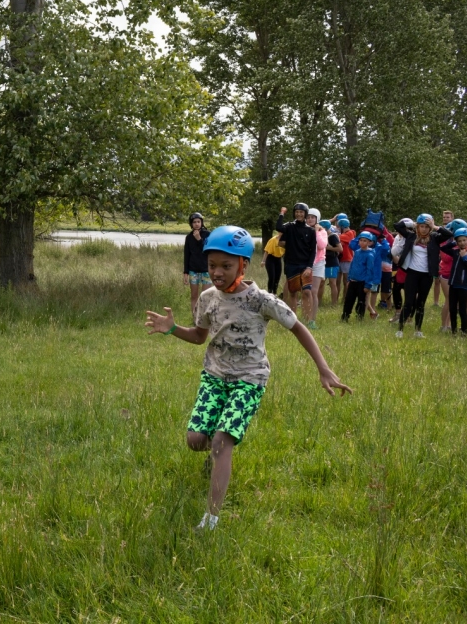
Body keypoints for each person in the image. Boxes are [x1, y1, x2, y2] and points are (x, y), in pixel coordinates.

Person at [144, 226, 350, 531]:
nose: (217, 272)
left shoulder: (260, 300)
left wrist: (323, 367)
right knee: (196, 440)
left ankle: (210, 519)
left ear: (243, 265)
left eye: (226, 266)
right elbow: (200, 336)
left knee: (220, 442)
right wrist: (173, 329)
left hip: (249, 379)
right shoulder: (206, 298)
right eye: (212, 265)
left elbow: (298, 328)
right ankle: (215, 455)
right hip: (214, 376)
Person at [393, 214, 451, 338]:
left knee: (421, 303)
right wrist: (412, 224)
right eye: (421, 226)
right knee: (408, 303)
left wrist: (435, 226)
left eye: (426, 227)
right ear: (418, 227)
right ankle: (400, 330)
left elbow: (448, 234)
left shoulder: (435, 238)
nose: (424, 229)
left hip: (427, 275)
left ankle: (418, 330)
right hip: (412, 273)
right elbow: (397, 226)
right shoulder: (411, 236)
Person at [276, 203, 317, 323]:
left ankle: (309, 320)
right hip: (291, 264)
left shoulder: (310, 230)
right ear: (294, 213)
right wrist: (282, 213)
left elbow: (313, 251)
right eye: (297, 212)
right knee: (293, 292)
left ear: (305, 214)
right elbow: (278, 227)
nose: (299, 214)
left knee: (307, 292)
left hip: (305, 266)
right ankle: (294, 321)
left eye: (301, 212)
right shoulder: (289, 226)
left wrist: (310, 267)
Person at [440, 227, 467, 335]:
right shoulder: (456, 251)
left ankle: (464, 331)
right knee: (452, 309)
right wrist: (453, 243)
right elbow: (444, 249)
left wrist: (465, 258)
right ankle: (453, 331)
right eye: (459, 241)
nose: (462, 243)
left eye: (464, 240)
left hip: (464, 285)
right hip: (453, 284)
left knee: (462, 309)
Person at [341, 231, 383, 321]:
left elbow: (370, 270)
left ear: (369, 243)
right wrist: (349, 279)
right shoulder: (357, 252)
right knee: (349, 300)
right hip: (353, 281)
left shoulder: (370, 254)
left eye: (365, 241)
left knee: (361, 302)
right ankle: (345, 317)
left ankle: (360, 318)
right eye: (360, 240)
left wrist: (368, 285)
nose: (362, 242)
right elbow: (352, 266)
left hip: (362, 283)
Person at [183, 212, 211, 321]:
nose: (197, 224)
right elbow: (186, 255)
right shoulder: (189, 237)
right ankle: (195, 319)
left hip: (206, 270)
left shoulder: (207, 234)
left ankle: (204, 319)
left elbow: (208, 250)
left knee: (205, 296)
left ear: (202, 223)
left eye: (198, 222)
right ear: (191, 224)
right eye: (194, 222)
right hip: (193, 270)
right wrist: (185, 272)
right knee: (194, 295)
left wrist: (199, 239)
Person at [307, 208, 327, 327]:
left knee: (313, 291)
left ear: (317, 219)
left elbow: (321, 245)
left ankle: (312, 320)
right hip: (306, 263)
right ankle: (305, 316)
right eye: (308, 217)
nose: (310, 219)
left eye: (312, 217)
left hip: (318, 263)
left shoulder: (322, 231)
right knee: (306, 291)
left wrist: (316, 232)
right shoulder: (304, 230)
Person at [320, 219, 342, 305]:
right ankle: (318, 302)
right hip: (322, 262)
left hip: (332, 263)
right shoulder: (321, 236)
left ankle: (334, 303)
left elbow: (340, 249)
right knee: (321, 283)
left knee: (333, 283)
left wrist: (329, 248)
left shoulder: (333, 236)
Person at [260, 232, 285, 296]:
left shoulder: (285, 241)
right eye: (280, 232)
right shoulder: (273, 240)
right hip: (270, 259)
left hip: (278, 259)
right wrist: (263, 261)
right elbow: (266, 251)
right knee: (272, 277)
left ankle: (274, 293)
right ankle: (269, 292)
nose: (281, 233)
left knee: (277, 277)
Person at [336, 217, 356, 296]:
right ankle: (336, 299)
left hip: (347, 260)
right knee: (337, 281)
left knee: (346, 281)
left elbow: (337, 238)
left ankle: (345, 298)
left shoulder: (350, 233)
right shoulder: (342, 234)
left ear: (342, 227)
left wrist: (334, 236)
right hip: (339, 260)